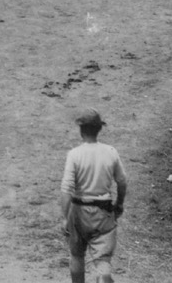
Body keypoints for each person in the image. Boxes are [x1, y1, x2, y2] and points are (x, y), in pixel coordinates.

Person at [60, 107, 127, 283]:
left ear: (81, 130)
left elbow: (66, 189)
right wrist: (119, 204)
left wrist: (65, 217)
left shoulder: (74, 154)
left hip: (79, 212)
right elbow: (122, 182)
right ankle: (103, 279)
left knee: (76, 256)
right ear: (99, 129)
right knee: (103, 261)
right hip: (103, 212)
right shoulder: (110, 152)